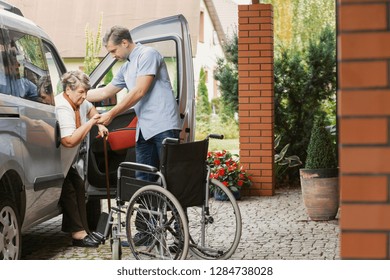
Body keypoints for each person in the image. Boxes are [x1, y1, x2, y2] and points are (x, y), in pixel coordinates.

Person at [87, 26, 181, 247]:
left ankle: (180, 234)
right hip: (144, 130)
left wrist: (111, 113)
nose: (113, 55)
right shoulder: (125, 68)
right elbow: (104, 92)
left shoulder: (149, 55)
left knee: (172, 180)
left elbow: (139, 91)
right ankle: (147, 232)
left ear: (125, 43)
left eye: (113, 51)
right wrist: (71, 94)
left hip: (163, 126)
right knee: (144, 180)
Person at [55, 70, 108, 247]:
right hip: (54, 161)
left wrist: (99, 123)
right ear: (68, 90)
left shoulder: (80, 102)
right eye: (81, 92)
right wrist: (91, 123)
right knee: (69, 190)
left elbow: (92, 110)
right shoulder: (63, 106)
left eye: (86, 91)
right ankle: (78, 234)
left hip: (65, 161)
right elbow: (69, 140)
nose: (85, 96)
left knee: (78, 185)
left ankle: (83, 231)